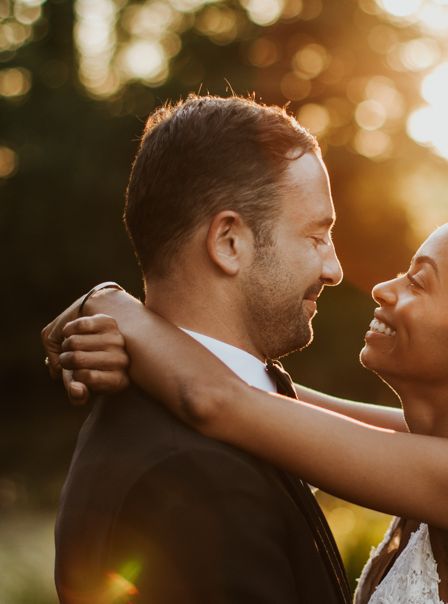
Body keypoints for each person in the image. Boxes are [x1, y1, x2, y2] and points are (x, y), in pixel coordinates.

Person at [44, 189, 448, 603]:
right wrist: (134, 345)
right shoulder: (445, 448)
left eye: (419, 281)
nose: (382, 288)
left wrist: (111, 303)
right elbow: (274, 394)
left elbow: (220, 400)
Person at [43, 94, 354, 603]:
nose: (334, 269)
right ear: (229, 242)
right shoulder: (194, 480)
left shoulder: (226, 418)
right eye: (317, 237)